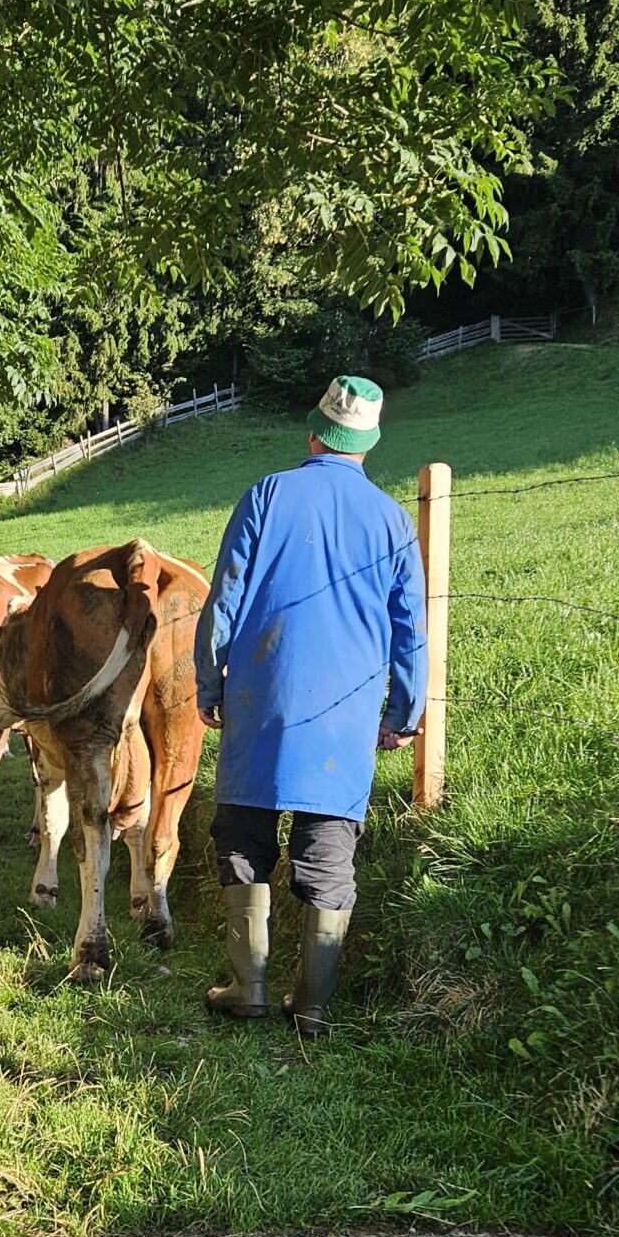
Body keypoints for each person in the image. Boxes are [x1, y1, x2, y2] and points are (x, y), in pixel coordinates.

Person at [194, 374, 427, 1038]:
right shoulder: (392, 520)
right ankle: (312, 1006)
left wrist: (210, 683)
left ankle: (249, 988)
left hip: (260, 699)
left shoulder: (267, 495)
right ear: (369, 443)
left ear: (314, 432)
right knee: (327, 854)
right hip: (346, 715)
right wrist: (403, 714)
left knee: (243, 839)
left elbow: (224, 599)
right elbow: (411, 630)